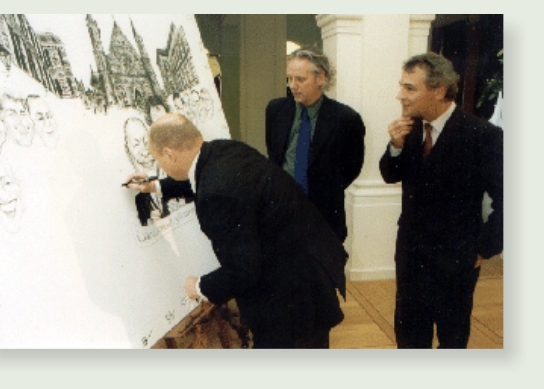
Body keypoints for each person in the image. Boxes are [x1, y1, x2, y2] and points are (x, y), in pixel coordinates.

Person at [124, 113, 348, 348]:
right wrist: (156, 185)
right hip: (311, 271)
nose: (161, 166)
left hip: (290, 300)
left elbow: (244, 270)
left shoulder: (216, 193)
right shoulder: (226, 150)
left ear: (169, 153)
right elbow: (204, 178)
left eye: (159, 160)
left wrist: (200, 286)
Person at [379, 52, 503, 349]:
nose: (400, 95)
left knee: (452, 338)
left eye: (410, 88)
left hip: (456, 259)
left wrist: (486, 247)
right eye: (402, 86)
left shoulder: (482, 135)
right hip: (410, 256)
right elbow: (389, 175)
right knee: (409, 338)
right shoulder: (408, 130)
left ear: (438, 90)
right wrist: (395, 146)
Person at [265, 47, 365, 243]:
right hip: (282, 211)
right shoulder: (275, 110)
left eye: (300, 79)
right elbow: (274, 155)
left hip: (324, 215)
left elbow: (352, 167)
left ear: (321, 78)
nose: (293, 85)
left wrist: (324, 188)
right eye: (290, 78)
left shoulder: (346, 119)